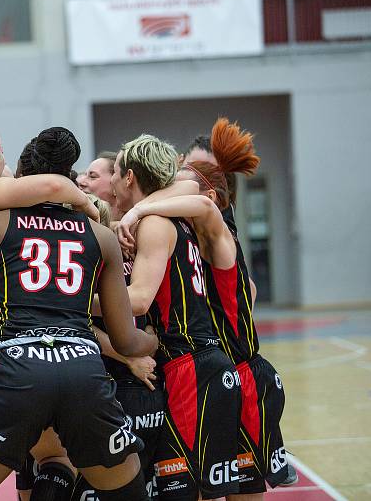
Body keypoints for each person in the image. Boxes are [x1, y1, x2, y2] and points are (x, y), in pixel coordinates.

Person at [0, 126, 159, 501]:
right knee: (124, 492)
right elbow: (127, 340)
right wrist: (155, 337)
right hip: (82, 370)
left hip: (17, 370)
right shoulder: (99, 236)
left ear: (21, 179)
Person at [120, 118, 292, 498]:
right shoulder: (187, 232)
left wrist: (134, 213)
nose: (176, 181)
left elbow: (194, 195)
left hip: (231, 369)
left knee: (203, 486)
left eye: (187, 174)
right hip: (223, 368)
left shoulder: (212, 226)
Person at [109, 134, 241, 501]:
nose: (113, 184)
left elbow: (137, 300)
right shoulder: (181, 218)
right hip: (208, 362)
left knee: (178, 492)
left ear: (130, 177)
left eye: (116, 174)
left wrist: (72, 300)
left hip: (190, 365)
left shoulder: (154, 223)